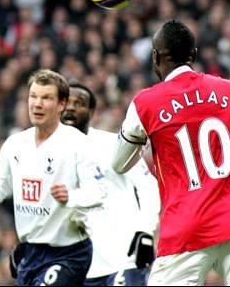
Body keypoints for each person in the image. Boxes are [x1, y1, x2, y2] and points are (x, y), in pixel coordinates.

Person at [112, 19, 230, 285]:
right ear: (194, 55)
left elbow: (118, 163)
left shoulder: (145, 103)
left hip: (185, 227)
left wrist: (139, 137)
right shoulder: (229, 89)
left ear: (155, 57)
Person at [0, 69, 107, 286]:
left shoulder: (79, 144)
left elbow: (98, 193)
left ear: (61, 104)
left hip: (68, 253)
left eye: (46, 98)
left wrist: (70, 196)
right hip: (30, 253)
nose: (37, 104)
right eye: (33, 96)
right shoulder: (15, 144)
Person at [62, 82, 160, 286]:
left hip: (122, 257)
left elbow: (149, 187)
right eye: (66, 102)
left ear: (90, 112)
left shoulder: (110, 145)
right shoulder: (47, 155)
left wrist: (146, 231)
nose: (70, 107)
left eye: (78, 103)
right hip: (78, 265)